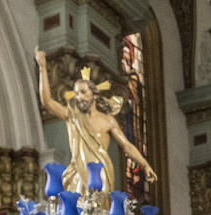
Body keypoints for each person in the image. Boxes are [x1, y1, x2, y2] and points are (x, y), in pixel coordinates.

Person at [35, 48, 156, 194]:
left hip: (102, 174)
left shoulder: (108, 121)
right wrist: (42, 67)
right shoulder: (73, 116)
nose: (79, 97)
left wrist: (145, 164)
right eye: (77, 93)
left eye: (83, 92)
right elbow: (47, 102)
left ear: (95, 94)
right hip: (78, 174)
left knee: (101, 212)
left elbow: (127, 146)